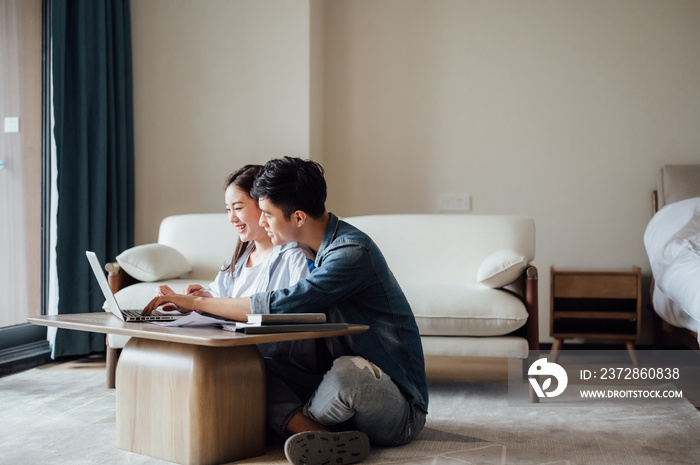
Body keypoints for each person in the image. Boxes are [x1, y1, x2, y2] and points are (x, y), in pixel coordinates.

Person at [143, 157, 428, 465]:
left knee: (348, 373)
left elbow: (282, 302)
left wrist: (197, 303)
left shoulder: (351, 253)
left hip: (397, 407)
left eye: (266, 214)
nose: (261, 222)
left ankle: (293, 423)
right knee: (251, 368)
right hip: (337, 389)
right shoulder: (312, 249)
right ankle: (317, 433)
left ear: (299, 218)